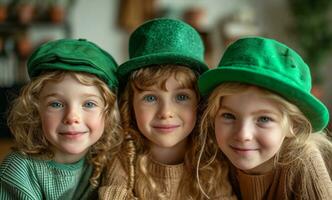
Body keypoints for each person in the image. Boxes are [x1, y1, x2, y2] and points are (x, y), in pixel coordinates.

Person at [99, 18, 236, 199]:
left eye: (181, 97)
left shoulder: (211, 161)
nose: (165, 113)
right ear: (130, 104)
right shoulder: (123, 158)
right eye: (150, 98)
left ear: (200, 104)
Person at [197, 36, 332, 199]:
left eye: (264, 119)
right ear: (213, 116)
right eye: (228, 115)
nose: (242, 135)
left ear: (294, 125)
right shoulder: (214, 157)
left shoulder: (303, 164)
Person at [0, 38, 122, 199]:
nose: (72, 117)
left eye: (89, 104)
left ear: (107, 114)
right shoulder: (20, 170)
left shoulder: (105, 160)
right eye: (56, 104)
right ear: (36, 111)